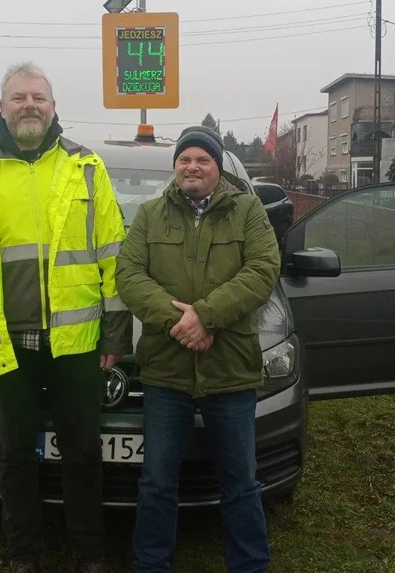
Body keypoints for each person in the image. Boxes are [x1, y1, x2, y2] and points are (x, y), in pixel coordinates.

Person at [0, 62, 131, 573]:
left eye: (38, 97)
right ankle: (26, 556)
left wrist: (115, 330)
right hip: (3, 344)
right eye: (18, 97)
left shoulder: (86, 166)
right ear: (2, 107)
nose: (29, 105)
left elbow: (113, 254)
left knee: (84, 454)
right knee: (15, 455)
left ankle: (89, 553)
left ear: (53, 106)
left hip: (77, 343)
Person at [116, 126, 281, 573]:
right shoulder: (150, 215)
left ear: (217, 166)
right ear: (175, 167)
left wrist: (206, 316)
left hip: (230, 372)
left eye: (202, 159)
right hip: (166, 373)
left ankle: (249, 565)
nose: (193, 166)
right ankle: (151, 566)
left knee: (241, 483)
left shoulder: (248, 210)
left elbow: (264, 269)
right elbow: (128, 276)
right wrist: (183, 324)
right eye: (185, 159)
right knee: (156, 482)